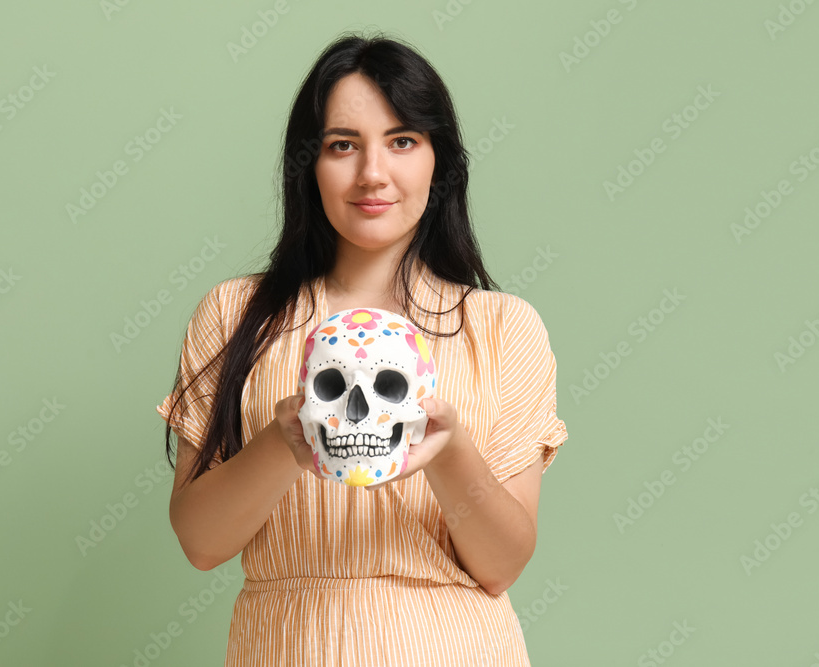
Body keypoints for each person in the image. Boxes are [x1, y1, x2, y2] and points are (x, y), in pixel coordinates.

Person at [157, 31, 569, 666]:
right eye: (342, 145)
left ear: (439, 160)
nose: (372, 173)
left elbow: (501, 568)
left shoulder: (502, 328)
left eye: (402, 140)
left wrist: (450, 451)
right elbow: (201, 543)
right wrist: (283, 441)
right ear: (308, 165)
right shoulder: (236, 315)